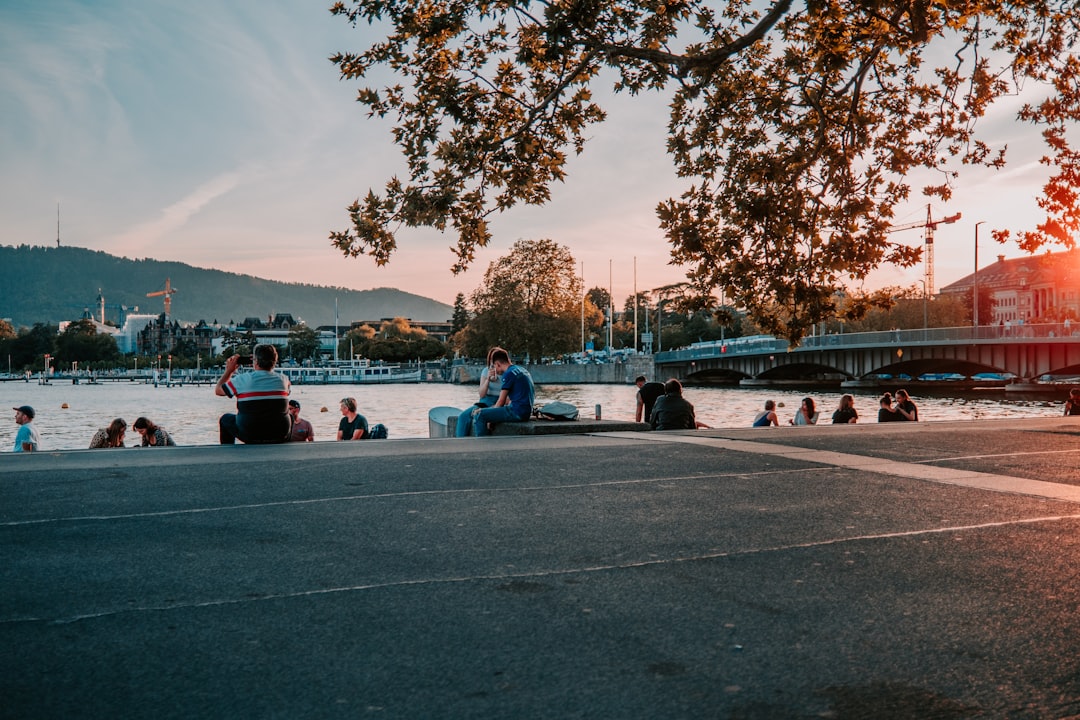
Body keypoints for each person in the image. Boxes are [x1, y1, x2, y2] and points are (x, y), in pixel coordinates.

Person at [216, 344, 292, 445]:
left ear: (255, 361)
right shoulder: (284, 380)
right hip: (279, 434)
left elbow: (218, 390)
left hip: (249, 433)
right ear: (275, 360)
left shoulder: (243, 379)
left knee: (225, 419)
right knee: (290, 416)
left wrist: (229, 371)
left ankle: (227, 452)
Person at [473, 348, 535, 436]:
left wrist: (491, 418)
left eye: (494, 366)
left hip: (516, 412)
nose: (495, 370)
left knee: (479, 415)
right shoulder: (522, 370)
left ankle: (483, 446)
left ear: (498, 364)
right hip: (526, 411)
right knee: (486, 410)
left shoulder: (508, 374)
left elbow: (501, 401)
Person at [456, 347, 506, 437]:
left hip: (500, 401)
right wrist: (488, 380)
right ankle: (460, 443)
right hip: (485, 402)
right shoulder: (486, 371)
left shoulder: (506, 373)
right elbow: (482, 395)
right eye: (491, 361)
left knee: (479, 416)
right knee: (463, 417)